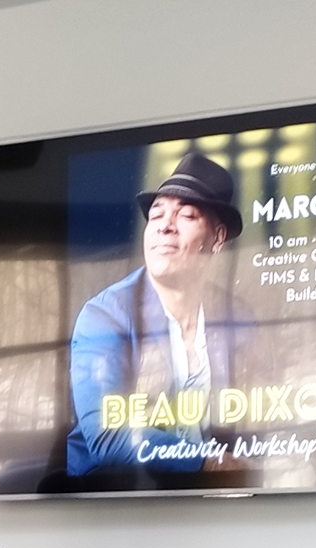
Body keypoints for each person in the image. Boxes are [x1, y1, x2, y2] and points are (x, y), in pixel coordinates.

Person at [66, 152, 250, 475]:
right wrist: (206, 462)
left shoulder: (236, 318)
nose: (165, 226)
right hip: (114, 497)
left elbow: (255, 419)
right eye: (156, 215)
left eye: (186, 215)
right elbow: (107, 436)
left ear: (218, 237)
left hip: (211, 497)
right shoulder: (105, 316)